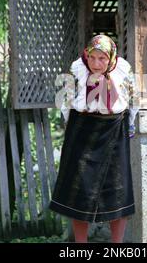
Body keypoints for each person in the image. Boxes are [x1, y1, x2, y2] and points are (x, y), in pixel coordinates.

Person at [49, 34, 139, 243]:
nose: (96, 64)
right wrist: (73, 126)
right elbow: (66, 102)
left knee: (117, 191)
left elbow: (134, 100)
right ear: (87, 56)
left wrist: (131, 124)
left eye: (102, 59)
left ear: (111, 58)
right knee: (79, 191)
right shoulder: (76, 68)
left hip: (114, 130)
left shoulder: (123, 69)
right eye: (93, 58)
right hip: (82, 129)